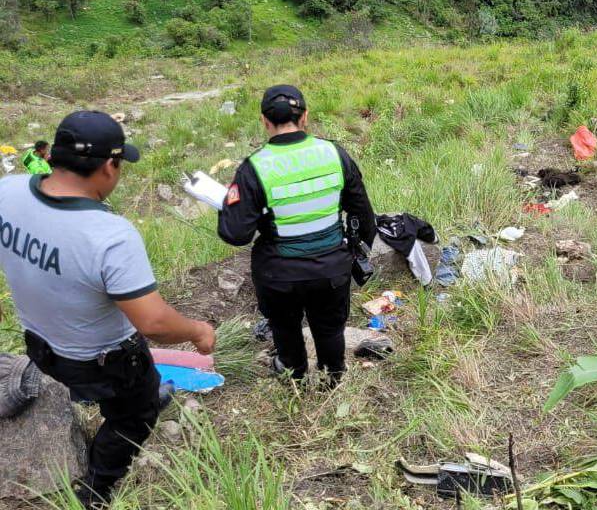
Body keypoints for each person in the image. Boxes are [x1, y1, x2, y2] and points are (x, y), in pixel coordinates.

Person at [0, 111, 216, 509]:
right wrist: (199, 331)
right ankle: (97, 491)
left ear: (53, 156)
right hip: (102, 359)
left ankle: (139, 396)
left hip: (40, 342)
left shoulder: (8, 191)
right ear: (108, 166)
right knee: (134, 414)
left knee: (135, 386)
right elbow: (153, 322)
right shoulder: (109, 236)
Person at [218, 85, 375, 386]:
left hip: (279, 274)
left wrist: (229, 204)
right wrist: (354, 252)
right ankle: (333, 377)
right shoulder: (334, 153)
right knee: (330, 329)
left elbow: (236, 234)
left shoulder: (253, 168)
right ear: (305, 117)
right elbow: (363, 215)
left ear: (264, 121)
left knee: (285, 328)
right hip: (331, 269)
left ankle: (294, 375)